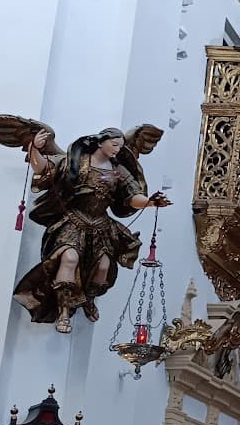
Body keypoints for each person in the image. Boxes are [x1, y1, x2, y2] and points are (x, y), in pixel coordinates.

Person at [15, 126, 170, 333]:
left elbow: (132, 196)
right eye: (114, 145)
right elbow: (44, 169)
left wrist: (150, 203)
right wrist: (34, 148)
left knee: (104, 268)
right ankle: (63, 312)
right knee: (69, 259)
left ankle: (88, 299)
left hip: (100, 226)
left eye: (120, 146)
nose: (117, 149)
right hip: (74, 221)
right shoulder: (76, 162)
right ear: (101, 141)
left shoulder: (118, 171)